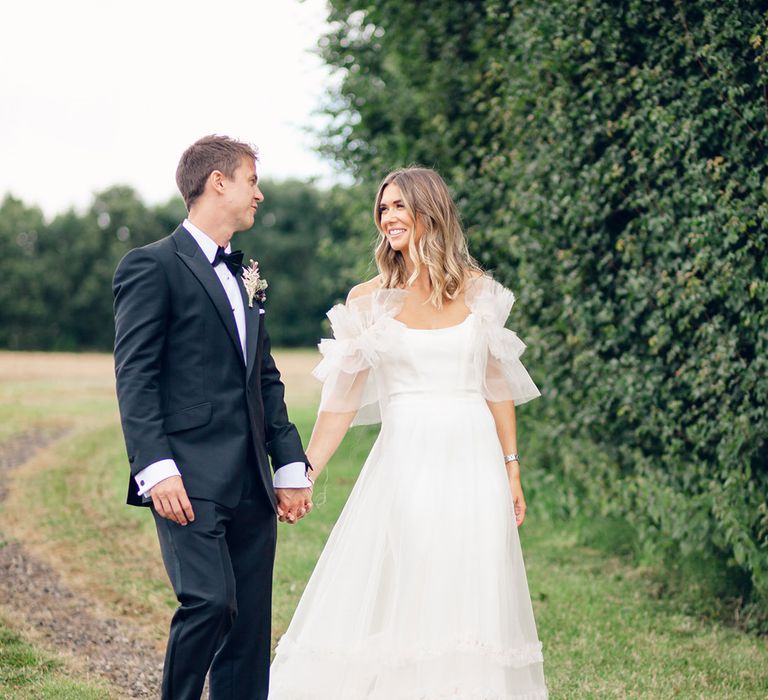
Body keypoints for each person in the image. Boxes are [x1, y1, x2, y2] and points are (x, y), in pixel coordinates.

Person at [269, 167, 548, 698]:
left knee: (474, 581)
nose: (388, 217)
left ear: (430, 211)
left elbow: (498, 389)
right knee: (418, 576)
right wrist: (303, 472)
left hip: (475, 459)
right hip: (407, 460)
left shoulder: (480, 292)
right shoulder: (367, 300)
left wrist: (512, 470)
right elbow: (341, 402)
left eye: (398, 206)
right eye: (383, 208)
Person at [113, 135, 313, 700]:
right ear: (217, 181)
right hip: (188, 476)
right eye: (252, 180)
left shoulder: (247, 274)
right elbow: (136, 375)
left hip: (250, 478)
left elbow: (264, 378)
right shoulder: (151, 266)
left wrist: (289, 462)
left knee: (248, 631)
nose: (260, 194)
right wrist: (155, 466)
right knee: (209, 602)